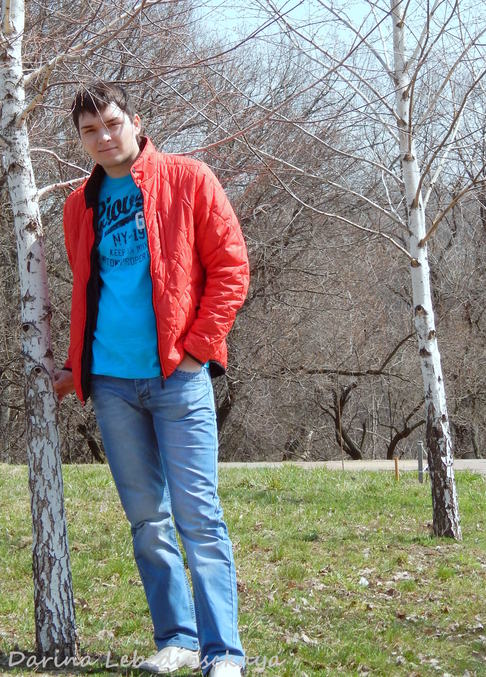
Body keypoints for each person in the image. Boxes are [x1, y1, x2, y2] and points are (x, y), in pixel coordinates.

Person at [54, 81, 249, 677]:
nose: (103, 137)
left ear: (135, 122)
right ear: (81, 139)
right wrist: (76, 366)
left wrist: (197, 351)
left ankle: (223, 653)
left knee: (199, 519)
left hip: (177, 380)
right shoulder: (78, 205)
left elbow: (231, 269)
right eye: (90, 131)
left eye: (112, 123)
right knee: (147, 521)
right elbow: (89, 292)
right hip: (112, 385)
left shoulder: (188, 179)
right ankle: (178, 639)